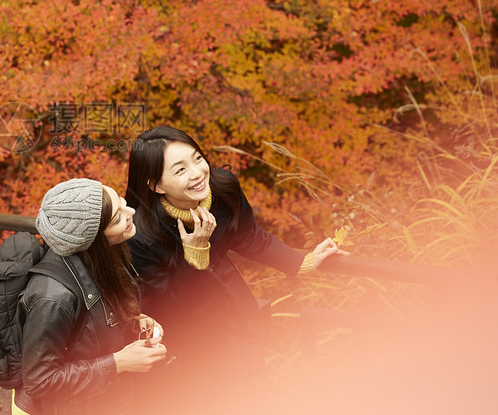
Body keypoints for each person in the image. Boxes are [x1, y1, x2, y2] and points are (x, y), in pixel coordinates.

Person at [125, 126, 348, 410]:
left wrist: (301, 262)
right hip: (191, 346)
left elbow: (247, 236)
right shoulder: (141, 235)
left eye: (197, 158)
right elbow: (165, 309)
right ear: (155, 185)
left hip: (237, 319)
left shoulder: (222, 189)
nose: (196, 173)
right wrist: (194, 255)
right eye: (179, 170)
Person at [14, 178, 169, 415]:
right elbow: (39, 380)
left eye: (121, 202)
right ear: (92, 238)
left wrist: (131, 321)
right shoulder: (52, 298)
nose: (131, 212)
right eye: (117, 218)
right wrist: (119, 363)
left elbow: (91, 324)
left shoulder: (105, 256)